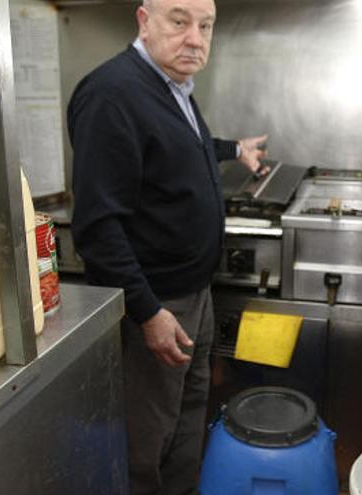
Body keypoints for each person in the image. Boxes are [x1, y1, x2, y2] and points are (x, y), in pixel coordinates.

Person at [67, 0, 266, 492]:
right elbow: (97, 227)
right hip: (154, 305)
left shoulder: (171, 88)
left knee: (185, 419)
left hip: (192, 295)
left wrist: (233, 150)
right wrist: (148, 311)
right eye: (179, 21)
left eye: (206, 26)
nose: (195, 38)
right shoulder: (113, 93)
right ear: (144, 21)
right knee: (145, 440)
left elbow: (184, 148)